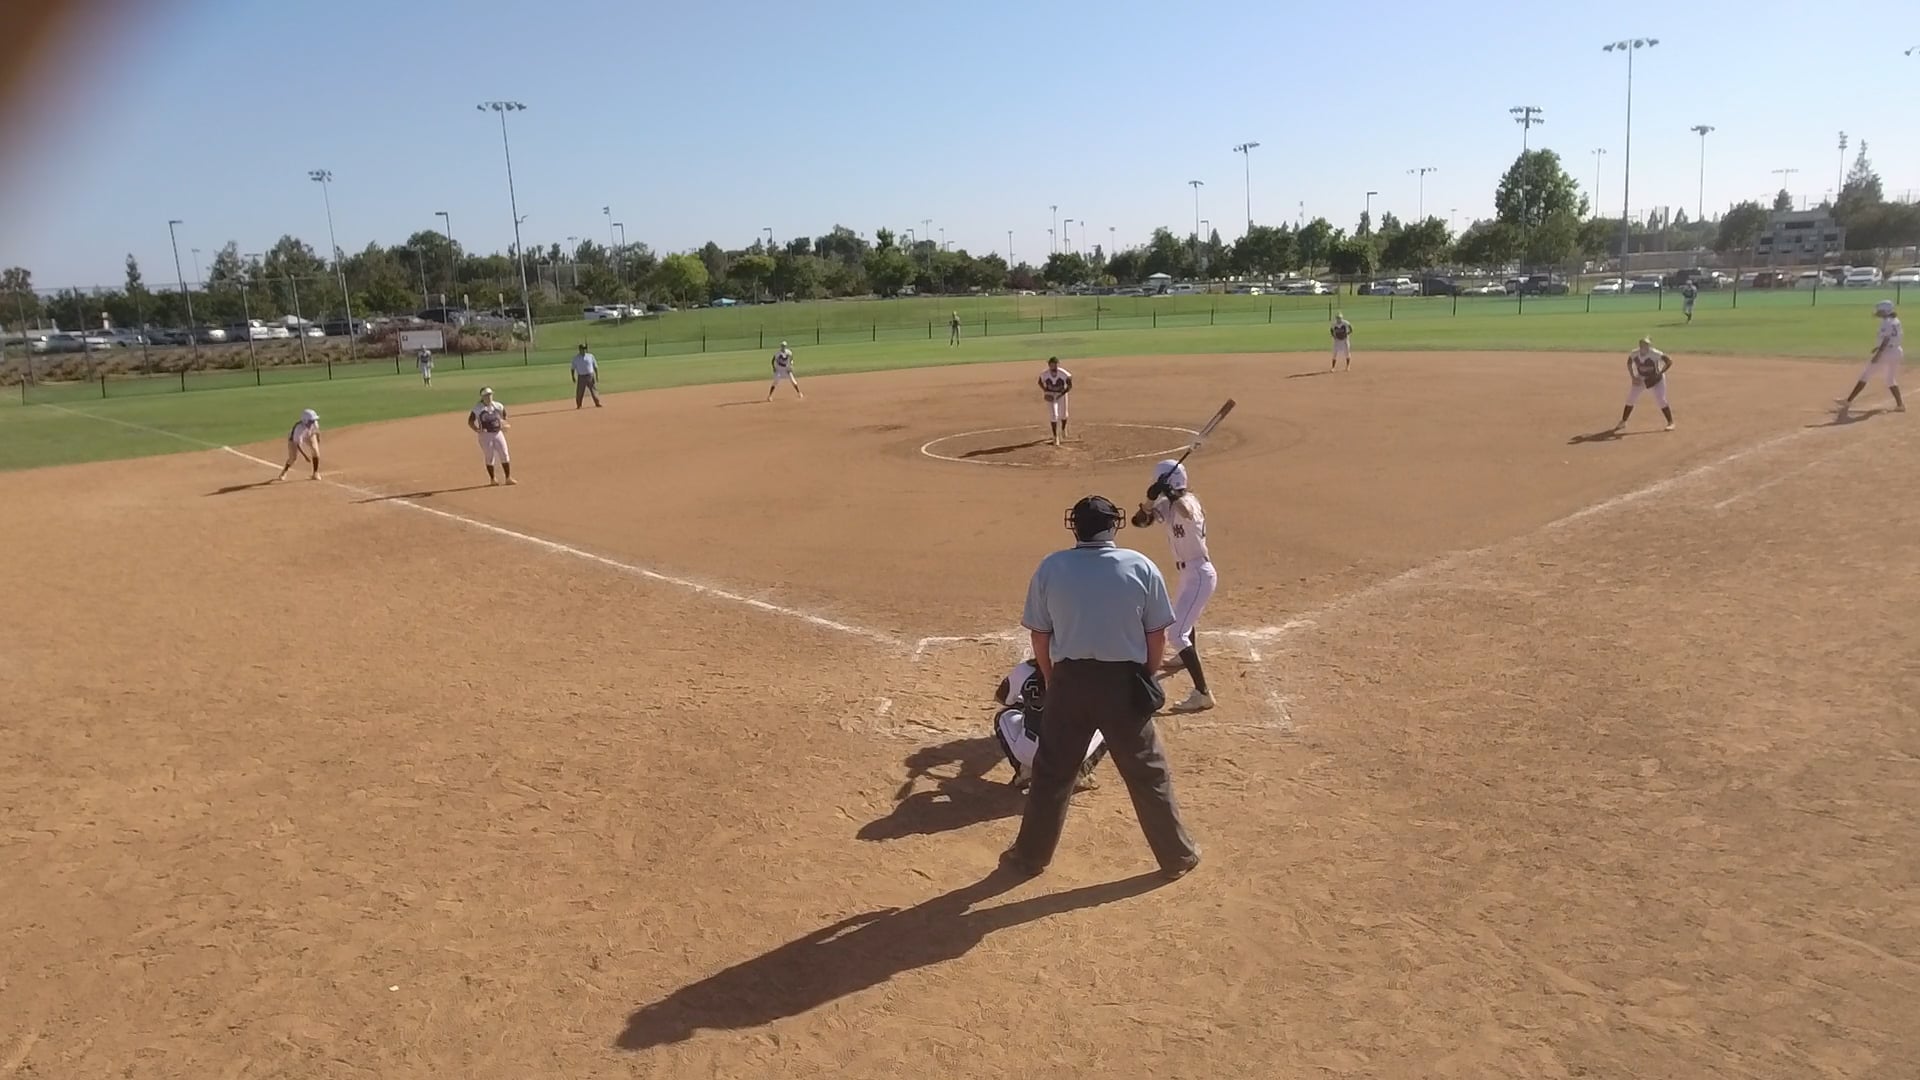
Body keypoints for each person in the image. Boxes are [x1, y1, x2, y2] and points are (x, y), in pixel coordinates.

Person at [1003, 495, 1201, 881]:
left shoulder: (1051, 567)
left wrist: (1053, 679)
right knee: (1147, 772)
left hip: (1069, 682)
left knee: (1052, 772)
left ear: (1075, 526)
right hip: (1123, 684)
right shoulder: (1140, 566)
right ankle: (1176, 856)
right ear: (1114, 525)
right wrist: (1144, 677)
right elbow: (1157, 635)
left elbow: (1040, 637)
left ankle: (1029, 857)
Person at [1131, 460, 1217, 713]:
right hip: (1188, 574)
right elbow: (1140, 521)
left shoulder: (1189, 501)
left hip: (1200, 573)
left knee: (1176, 633)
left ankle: (1203, 693)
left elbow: (1187, 513)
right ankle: (1183, 657)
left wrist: (1169, 493)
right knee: (1182, 619)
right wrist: (1150, 500)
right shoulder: (1167, 505)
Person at [992, 658, 1106, 790]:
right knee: (1109, 720)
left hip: (1031, 755)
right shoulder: (1091, 673)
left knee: (1003, 716)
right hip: (1075, 753)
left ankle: (1025, 771)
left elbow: (1002, 698)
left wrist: (1030, 702)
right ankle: (1081, 772)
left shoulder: (1025, 670)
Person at [1836, 300, 1905, 416]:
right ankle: (1900, 405)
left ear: (1885, 311)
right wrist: (1878, 348)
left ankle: (1848, 401)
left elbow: (1886, 339)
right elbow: (1891, 338)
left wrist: (1878, 354)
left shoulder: (1886, 322)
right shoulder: (1895, 320)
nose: (1878, 312)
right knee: (1890, 379)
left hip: (1886, 353)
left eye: (1880, 310)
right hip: (1896, 351)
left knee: (1865, 375)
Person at [1615, 337, 1675, 433]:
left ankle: (1670, 422)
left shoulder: (1655, 353)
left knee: (1661, 400)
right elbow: (1629, 362)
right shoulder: (1634, 353)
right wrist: (1633, 377)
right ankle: (1623, 421)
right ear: (1640, 346)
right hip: (1641, 378)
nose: (1645, 347)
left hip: (1656, 380)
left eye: (1647, 345)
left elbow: (1669, 361)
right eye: (1643, 345)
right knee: (1630, 399)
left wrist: (1660, 373)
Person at [467, 387, 515, 485]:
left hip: (498, 433)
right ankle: (493, 479)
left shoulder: (498, 405)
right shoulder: (478, 408)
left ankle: (508, 478)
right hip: (485, 435)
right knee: (489, 456)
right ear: (482, 397)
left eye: (490, 395)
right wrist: (476, 429)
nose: (489, 397)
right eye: (486, 396)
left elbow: (504, 416)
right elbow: (470, 421)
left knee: (504, 454)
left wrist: (503, 424)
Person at [275, 408, 321, 481]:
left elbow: (317, 431)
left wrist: (318, 439)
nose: (313, 422)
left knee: (315, 451)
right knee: (293, 458)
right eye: (311, 421)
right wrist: (305, 456)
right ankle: (284, 471)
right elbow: (298, 445)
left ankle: (315, 473)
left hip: (309, 435)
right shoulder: (298, 429)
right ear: (305, 420)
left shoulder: (314, 423)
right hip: (293, 440)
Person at [1038, 357, 1073, 446]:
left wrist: (1061, 394)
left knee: (1064, 415)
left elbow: (1069, 385)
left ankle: (1063, 429)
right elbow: (1040, 382)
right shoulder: (1045, 374)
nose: (1053, 366)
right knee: (1053, 416)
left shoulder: (1064, 374)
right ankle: (1055, 436)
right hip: (1051, 396)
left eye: (1055, 364)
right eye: (1051, 364)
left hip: (1061, 395)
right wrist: (1045, 391)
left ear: (1057, 364)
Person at [571, 343, 602, 408]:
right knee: (580, 391)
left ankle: (597, 403)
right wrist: (573, 377)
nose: (584, 350)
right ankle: (579, 405)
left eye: (584, 349)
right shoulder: (576, 358)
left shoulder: (590, 356)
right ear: (580, 349)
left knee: (593, 390)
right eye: (582, 349)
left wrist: (597, 375)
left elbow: (595, 366)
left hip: (590, 376)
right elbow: (572, 368)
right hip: (581, 376)